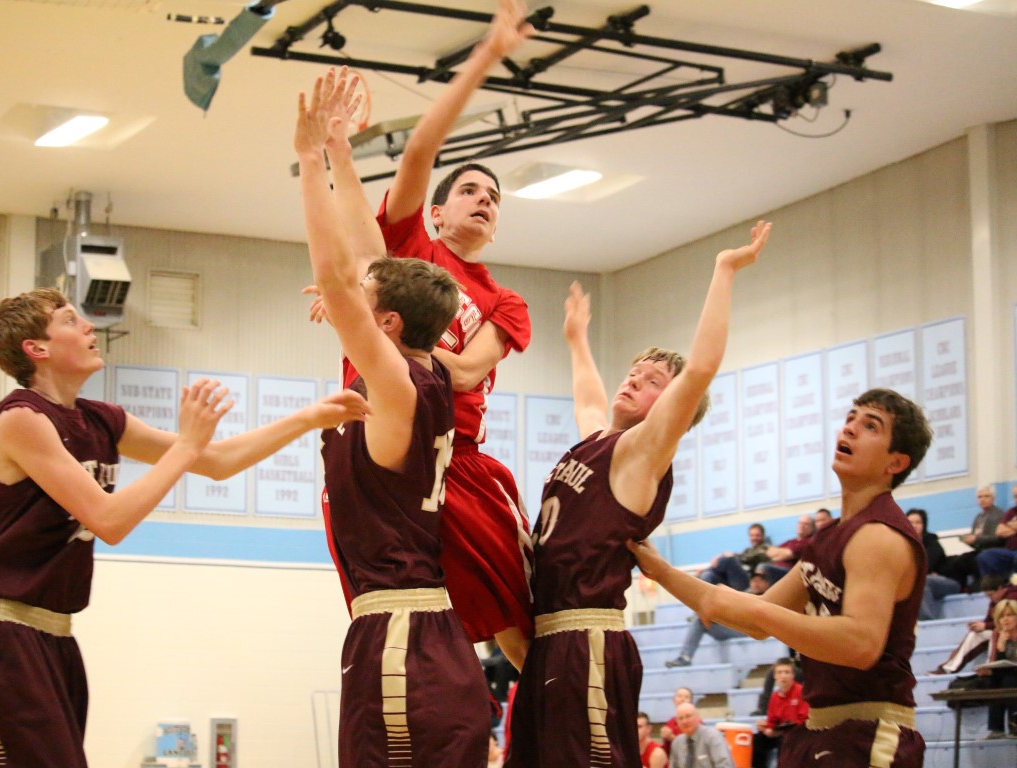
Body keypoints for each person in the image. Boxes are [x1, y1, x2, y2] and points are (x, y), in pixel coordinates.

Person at [0, 289, 368, 768]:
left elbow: (217, 462)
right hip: (0, 633)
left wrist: (308, 417)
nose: (89, 327)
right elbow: (109, 520)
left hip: (55, 637)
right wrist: (185, 446)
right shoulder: (21, 418)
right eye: (70, 320)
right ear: (36, 348)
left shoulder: (102, 420)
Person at [316, 0, 538, 670]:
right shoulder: (411, 250)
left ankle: (546, 719)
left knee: (518, 617)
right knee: (398, 609)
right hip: (373, 443)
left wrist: (365, 322)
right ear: (435, 212)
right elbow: (420, 149)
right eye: (470, 190)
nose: (484, 199)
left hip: (453, 454)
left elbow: (466, 373)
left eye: (494, 197)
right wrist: (486, 56)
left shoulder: (505, 300)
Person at [504, 221, 770, 768]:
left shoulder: (642, 453)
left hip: (587, 636)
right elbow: (588, 399)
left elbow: (700, 368)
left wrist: (724, 269)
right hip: (550, 636)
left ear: (671, 410)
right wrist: (577, 340)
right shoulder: (599, 442)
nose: (633, 380)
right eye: (634, 372)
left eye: (652, 382)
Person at [296, 69, 489, 766]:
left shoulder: (395, 381)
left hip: (403, 634)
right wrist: (341, 151)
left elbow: (339, 269)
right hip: (422, 633)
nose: (349, 291)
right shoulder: (421, 370)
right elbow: (365, 256)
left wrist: (308, 159)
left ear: (387, 322)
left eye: (363, 298)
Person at [633, 387, 933, 768]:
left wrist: (759, 612)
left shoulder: (880, 535)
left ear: (896, 462)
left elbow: (860, 643)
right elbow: (755, 619)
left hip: (869, 730)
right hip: (818, 728)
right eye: (850, 418)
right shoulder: (829, 536)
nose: (850, 428)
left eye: (871, 426)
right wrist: (660, 570)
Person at [666, 567, 771, 667]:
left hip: (750, 631)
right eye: (754, 580)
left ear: (766, 583)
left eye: (759, 581)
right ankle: (686, 656)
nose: (756, 584)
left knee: (703, 616)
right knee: (700, 619)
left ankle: (700, 614)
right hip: (731, 627)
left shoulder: (771, 598)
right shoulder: (744, 594)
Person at [928, 574, 1016, 675]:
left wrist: (986, 626)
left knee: (995, 633)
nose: (990, 598)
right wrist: (981, 626)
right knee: (975, 634)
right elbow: (991, 620)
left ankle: (991, 668)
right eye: (987, 596)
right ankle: (949, 667)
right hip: (1000, 630)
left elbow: (1008, 623)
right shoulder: (995, 601)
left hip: (1010, 632)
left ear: (1000, 589)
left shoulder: (1013, 597)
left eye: (991, 595)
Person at [938, 485, 1005, 592]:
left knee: (966, 560)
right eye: (980, 497)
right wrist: (968, 540)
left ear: (993, 498)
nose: (982, 499)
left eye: (986, 496)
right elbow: (976, 539)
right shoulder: (979, 517)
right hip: (979, 550)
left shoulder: (999, 515)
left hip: (992, 552)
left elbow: (998, 538)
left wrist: (977, 539)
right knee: (953, 561)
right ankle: (960, 588)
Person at [751, 658, 809, 768]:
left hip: (796, 734)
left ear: (792, 675)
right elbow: (772, 721)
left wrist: (779, 731)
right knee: (757, 740)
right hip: (779, 732)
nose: (783, 676)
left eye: (787, 672)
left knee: (784, 741)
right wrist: (765, 726)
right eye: (780, 672)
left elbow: (803, 720)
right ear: (775, 676)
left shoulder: (801, 692)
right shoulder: (774, 697)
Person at [907, 508, 959, 620]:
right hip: (925, 581)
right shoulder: (904, 545)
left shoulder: (932, 543)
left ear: (924, 525)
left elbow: (926, 566)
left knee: (922, 582)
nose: (914, 525)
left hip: (948, 582)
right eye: (911, 522)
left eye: (918, 522)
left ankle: (927, 621)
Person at [976, 598, 1017, 738]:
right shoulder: (997, 634)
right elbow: (996, 662)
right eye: (1001, 616)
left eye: (1009, 615)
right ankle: (996, 729)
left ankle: (1014, 726)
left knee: (1009, 680)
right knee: (993, 680)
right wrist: (1001, 646)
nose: (1005, 619)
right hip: (1007, 674)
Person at [698, 523, 771, 591]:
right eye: (752, 535)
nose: (754, 538)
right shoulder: (748, 550)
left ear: (763, 536)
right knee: (709, 575)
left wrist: (730, 555)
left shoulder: (765, 548)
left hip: (747, 582)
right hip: (735, 579)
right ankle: (703, 576)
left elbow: (746, 558)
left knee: (729, 559)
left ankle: (703, 572)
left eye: (757, 535)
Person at [756, 514, 815, 585]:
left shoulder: (809, 541)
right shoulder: (791, 541)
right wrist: (781, 554)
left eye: (806, 524)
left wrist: (777, 554)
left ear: (812, 528)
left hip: (790, 573)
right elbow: (769, 552)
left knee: (764, 567)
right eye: (800, 523)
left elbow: (788, 554)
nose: (802, 526)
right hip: (777, 569)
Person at [670, 703, 733, 768]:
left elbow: (725, 766)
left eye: (688, 716)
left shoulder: (713, 737)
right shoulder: (677, 743)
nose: (684, 721)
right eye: (680, 718)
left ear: (698, 717)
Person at [976, 485, 1017, 581]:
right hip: (1009, 550)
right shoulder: (1012, 511)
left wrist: (1009, 526)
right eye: (1015, 497)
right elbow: (999, 531)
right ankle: (994, 586)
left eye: (986, 496)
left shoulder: (998, 513)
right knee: (985, 556)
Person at [659, 686, 695, 756]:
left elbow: (695, 747)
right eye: (679, 696)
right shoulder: (670, 722)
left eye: (686, 697)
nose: (682, 699)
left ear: (691, 702)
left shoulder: (696, 722)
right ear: (674, 701)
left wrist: (672, 738)